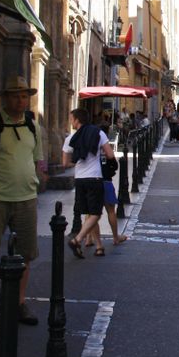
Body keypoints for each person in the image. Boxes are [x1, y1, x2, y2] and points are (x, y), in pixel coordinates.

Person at [0, 76, 47, 327]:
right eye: (15, 95)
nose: (20, 100)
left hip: (26, 198)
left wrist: (37, 179)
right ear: (5, 98)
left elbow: (37, 160)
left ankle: (20, 301)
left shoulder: (33, 127)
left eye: (24, 95)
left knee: (26, 253)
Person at [64, 108, 125, 258]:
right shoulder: (98, 133)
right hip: (95, 178)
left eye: (72, 119)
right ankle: (78, 239)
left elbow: (65, 163)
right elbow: (110, 154)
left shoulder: (70, 138)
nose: (71, 122)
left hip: (80, 180)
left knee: (90, 214)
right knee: (96, 213)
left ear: (77, 120)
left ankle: (98, 246)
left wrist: (77, 163)